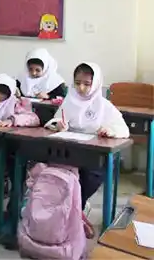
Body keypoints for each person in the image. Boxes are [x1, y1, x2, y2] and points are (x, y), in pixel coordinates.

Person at [44, 62, 129, 237]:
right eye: (77, 83)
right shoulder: (69, 100)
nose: (81, 88)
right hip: (69, 152)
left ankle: (76, 211)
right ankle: (72, 215)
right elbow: (54, 121)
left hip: (94, 155)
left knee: (90, 177)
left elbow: (123, 130)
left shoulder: (104, 105)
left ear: (96, 83)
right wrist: (58, 125)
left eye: (87, 84)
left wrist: (109, 131)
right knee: (57, 178)